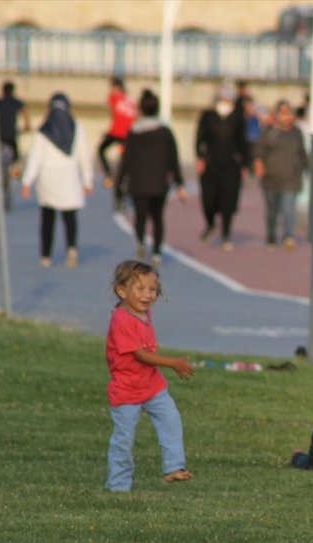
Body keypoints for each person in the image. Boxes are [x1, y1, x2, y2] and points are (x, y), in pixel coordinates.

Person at [105, 260, 195, 491]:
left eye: (152, 289)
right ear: (122, 291)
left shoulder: (144, 313)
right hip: (126, 390)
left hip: (152, 386)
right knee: (123, 441)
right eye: (140, 289)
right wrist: (173, 363)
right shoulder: (122, 319)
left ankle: (174, 468)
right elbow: (140, 355)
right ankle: (118, 486)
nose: (147, 295)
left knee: (171, 420)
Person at [21, 93, 93, 268]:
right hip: (70, 178)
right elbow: (85, 156)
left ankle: (46, 256)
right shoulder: (77, 128)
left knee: (47, 218)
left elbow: (35, 158)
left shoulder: (44, 130)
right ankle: (72, 248)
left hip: (48, 180)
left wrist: (27, 181)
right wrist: (87, 180)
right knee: (70, 217)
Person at [116, 89, 186, 265]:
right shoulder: (165, 132)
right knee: (157, 217)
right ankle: (156, 252)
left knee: (140, 216)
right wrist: (179, 183)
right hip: (159, 182)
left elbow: (126, 160)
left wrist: (119, 183)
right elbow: (174, 158)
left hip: (138, 182)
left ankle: (140, 243)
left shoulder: (134, 132)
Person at [195, 85, 250, 251]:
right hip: (211, 163)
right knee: (209, 199)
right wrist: (200, 157)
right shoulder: (208, 115)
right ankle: (210, 223)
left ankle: (226, 234)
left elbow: (243, 142)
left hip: (231, 165)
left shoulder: (238, 117)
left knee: (228, 200)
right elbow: (200, 137)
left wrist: (245, 165)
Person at [253, 99, 308, 250]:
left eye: (288, 113)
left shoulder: (296, 133)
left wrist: (309, 168)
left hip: (291, 178)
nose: (286, 116)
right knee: (272, 210)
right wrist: (258, 164)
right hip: (271, 178)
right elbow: (259, 151)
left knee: (288, 207)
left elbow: (302, 153)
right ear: (276, 115)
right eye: (282, 113)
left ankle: (288, 236)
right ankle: (271, 236)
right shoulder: (269, 132)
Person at [98, 77, 137, 208]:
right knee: (123, 167)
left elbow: (115, 115)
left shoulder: (115, 98)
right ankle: (120, 194)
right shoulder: (131, 100)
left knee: (101, 150)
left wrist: (109, 133)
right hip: (127, 135)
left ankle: (110, 175)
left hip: (117, 133)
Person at [0, 81, 30, 173]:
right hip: (12, 135)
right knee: (16, 157)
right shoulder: (16, 102)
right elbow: (25, 113)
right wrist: (27, 127)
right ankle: (15, 171)